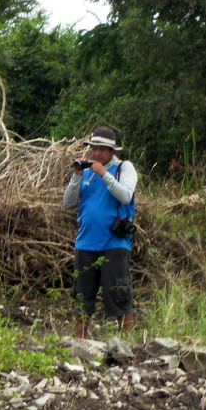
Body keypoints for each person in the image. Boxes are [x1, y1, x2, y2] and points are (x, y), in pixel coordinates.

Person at [63, 126, 138, 338]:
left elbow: (125, 195)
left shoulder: (123, 168)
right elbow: (68, 202)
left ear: (112, 151)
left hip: (114, 243)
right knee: (82, 296)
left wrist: (104, 174)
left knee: (119, 293)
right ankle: (80, 341)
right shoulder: (86, 173)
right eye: (94, 149)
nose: (97, 154)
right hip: (85, 243)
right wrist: (77, 176)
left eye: (102, 150)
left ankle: (124, 341)